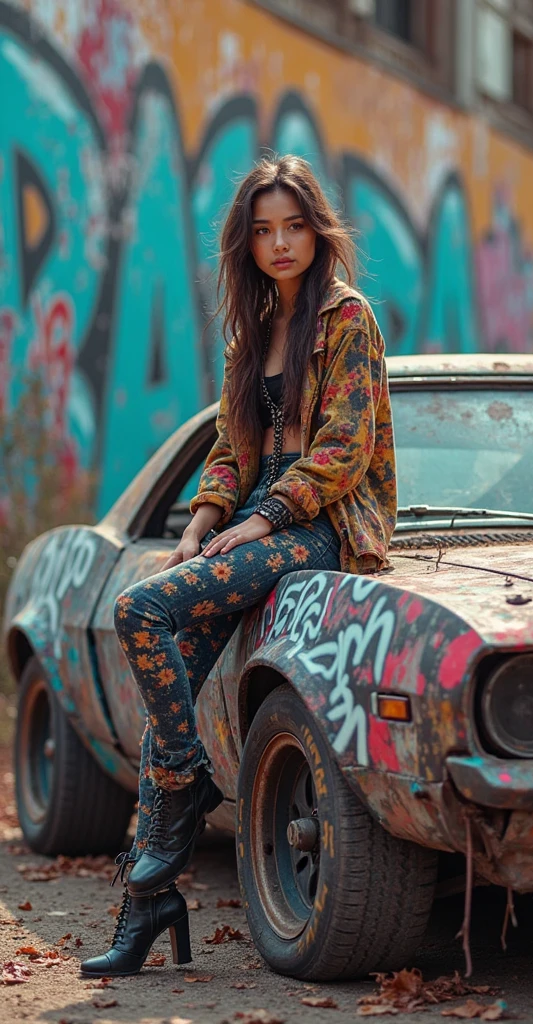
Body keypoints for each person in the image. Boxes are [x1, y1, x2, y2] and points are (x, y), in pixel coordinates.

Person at [80, 154, 397, 977]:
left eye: (293, 226)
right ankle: (148, 911)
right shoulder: (251, 331)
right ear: (246, 244)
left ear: (316, 231)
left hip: (317, 524)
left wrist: (261, 518)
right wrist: (203, 525)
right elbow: (230, 450)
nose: (280, 243)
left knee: (139, 611)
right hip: (253, 519)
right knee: (166, 707)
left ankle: (185, 785)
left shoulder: (347, 318)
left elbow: (343, 451)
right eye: (263, 231)